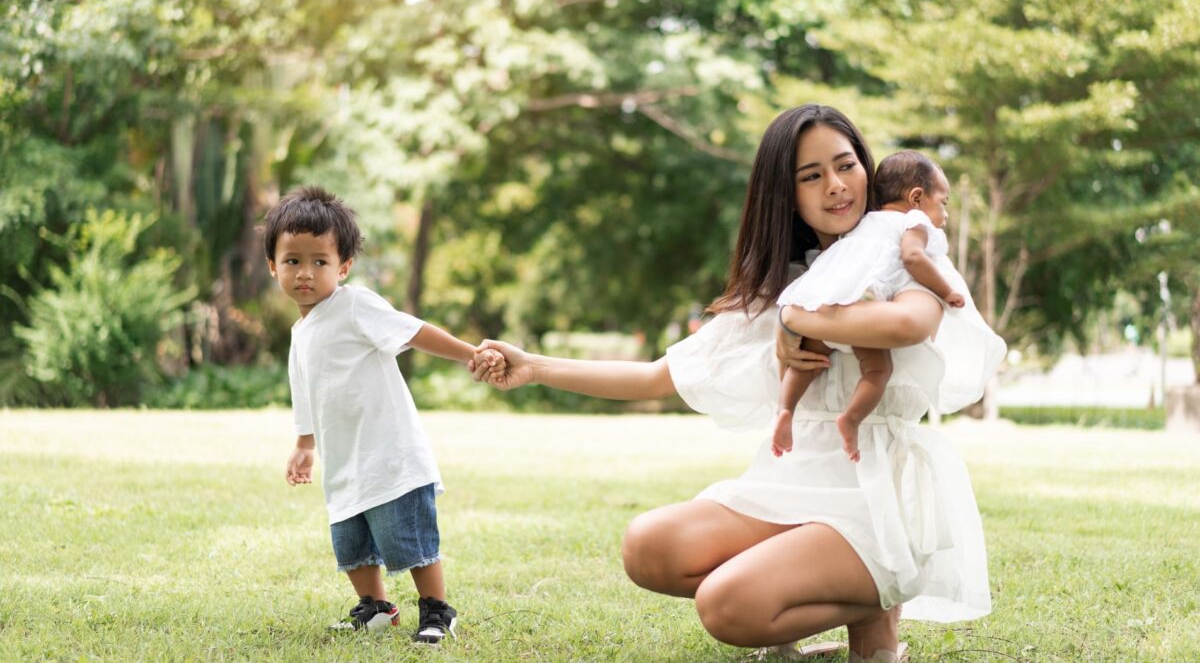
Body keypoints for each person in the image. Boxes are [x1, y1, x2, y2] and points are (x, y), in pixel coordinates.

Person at [470, 105, 1005, 662]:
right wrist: (533, 365)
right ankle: (803, 596)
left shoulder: (902, 252)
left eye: (846, 165)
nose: (836, 186)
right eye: (811, 175)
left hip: (872, 489)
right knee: (647, 547)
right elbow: (657, 377)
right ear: (785, 195)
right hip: (789, 482)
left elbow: (909, 324)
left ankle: (877, 631)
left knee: (728, 605)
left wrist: (797, 321)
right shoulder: (785, 283)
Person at [264, 185, 503, 642]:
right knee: (350, 539)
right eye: (293, 260)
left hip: (390, 454)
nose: (306, 273)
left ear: (344, 266)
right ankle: (375, 608)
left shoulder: (355, 305)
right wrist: (304, 444)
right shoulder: (301, 332)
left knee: (406, 536)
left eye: (320, 261)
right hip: (345, 459)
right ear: (273, 265)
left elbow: (413, 332)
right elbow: (304, 391)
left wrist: (470, 353)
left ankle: (437, 610)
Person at [772, 150, 966, 463]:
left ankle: (785, 410)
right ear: (916, 197)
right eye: (943, 202)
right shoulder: (913, 221)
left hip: (826, 299)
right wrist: (947, 291)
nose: (944, 215)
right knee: (877, 370)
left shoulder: (860, 225)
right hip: (866, 300)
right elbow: (913, 258)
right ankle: (851, 419)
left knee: (807, 359)